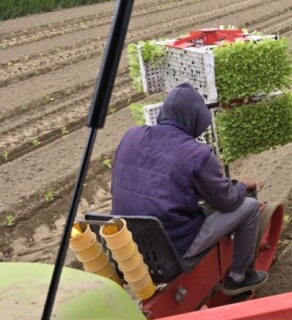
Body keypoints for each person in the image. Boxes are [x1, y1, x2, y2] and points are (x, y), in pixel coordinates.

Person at [111, 83, 268, 295]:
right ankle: (239, 278)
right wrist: (242, 185)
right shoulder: (197, 154)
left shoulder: (131, 136)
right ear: (197, 119)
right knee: (249, 208)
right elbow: (228, 201)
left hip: (125, 246)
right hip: (171, 252)